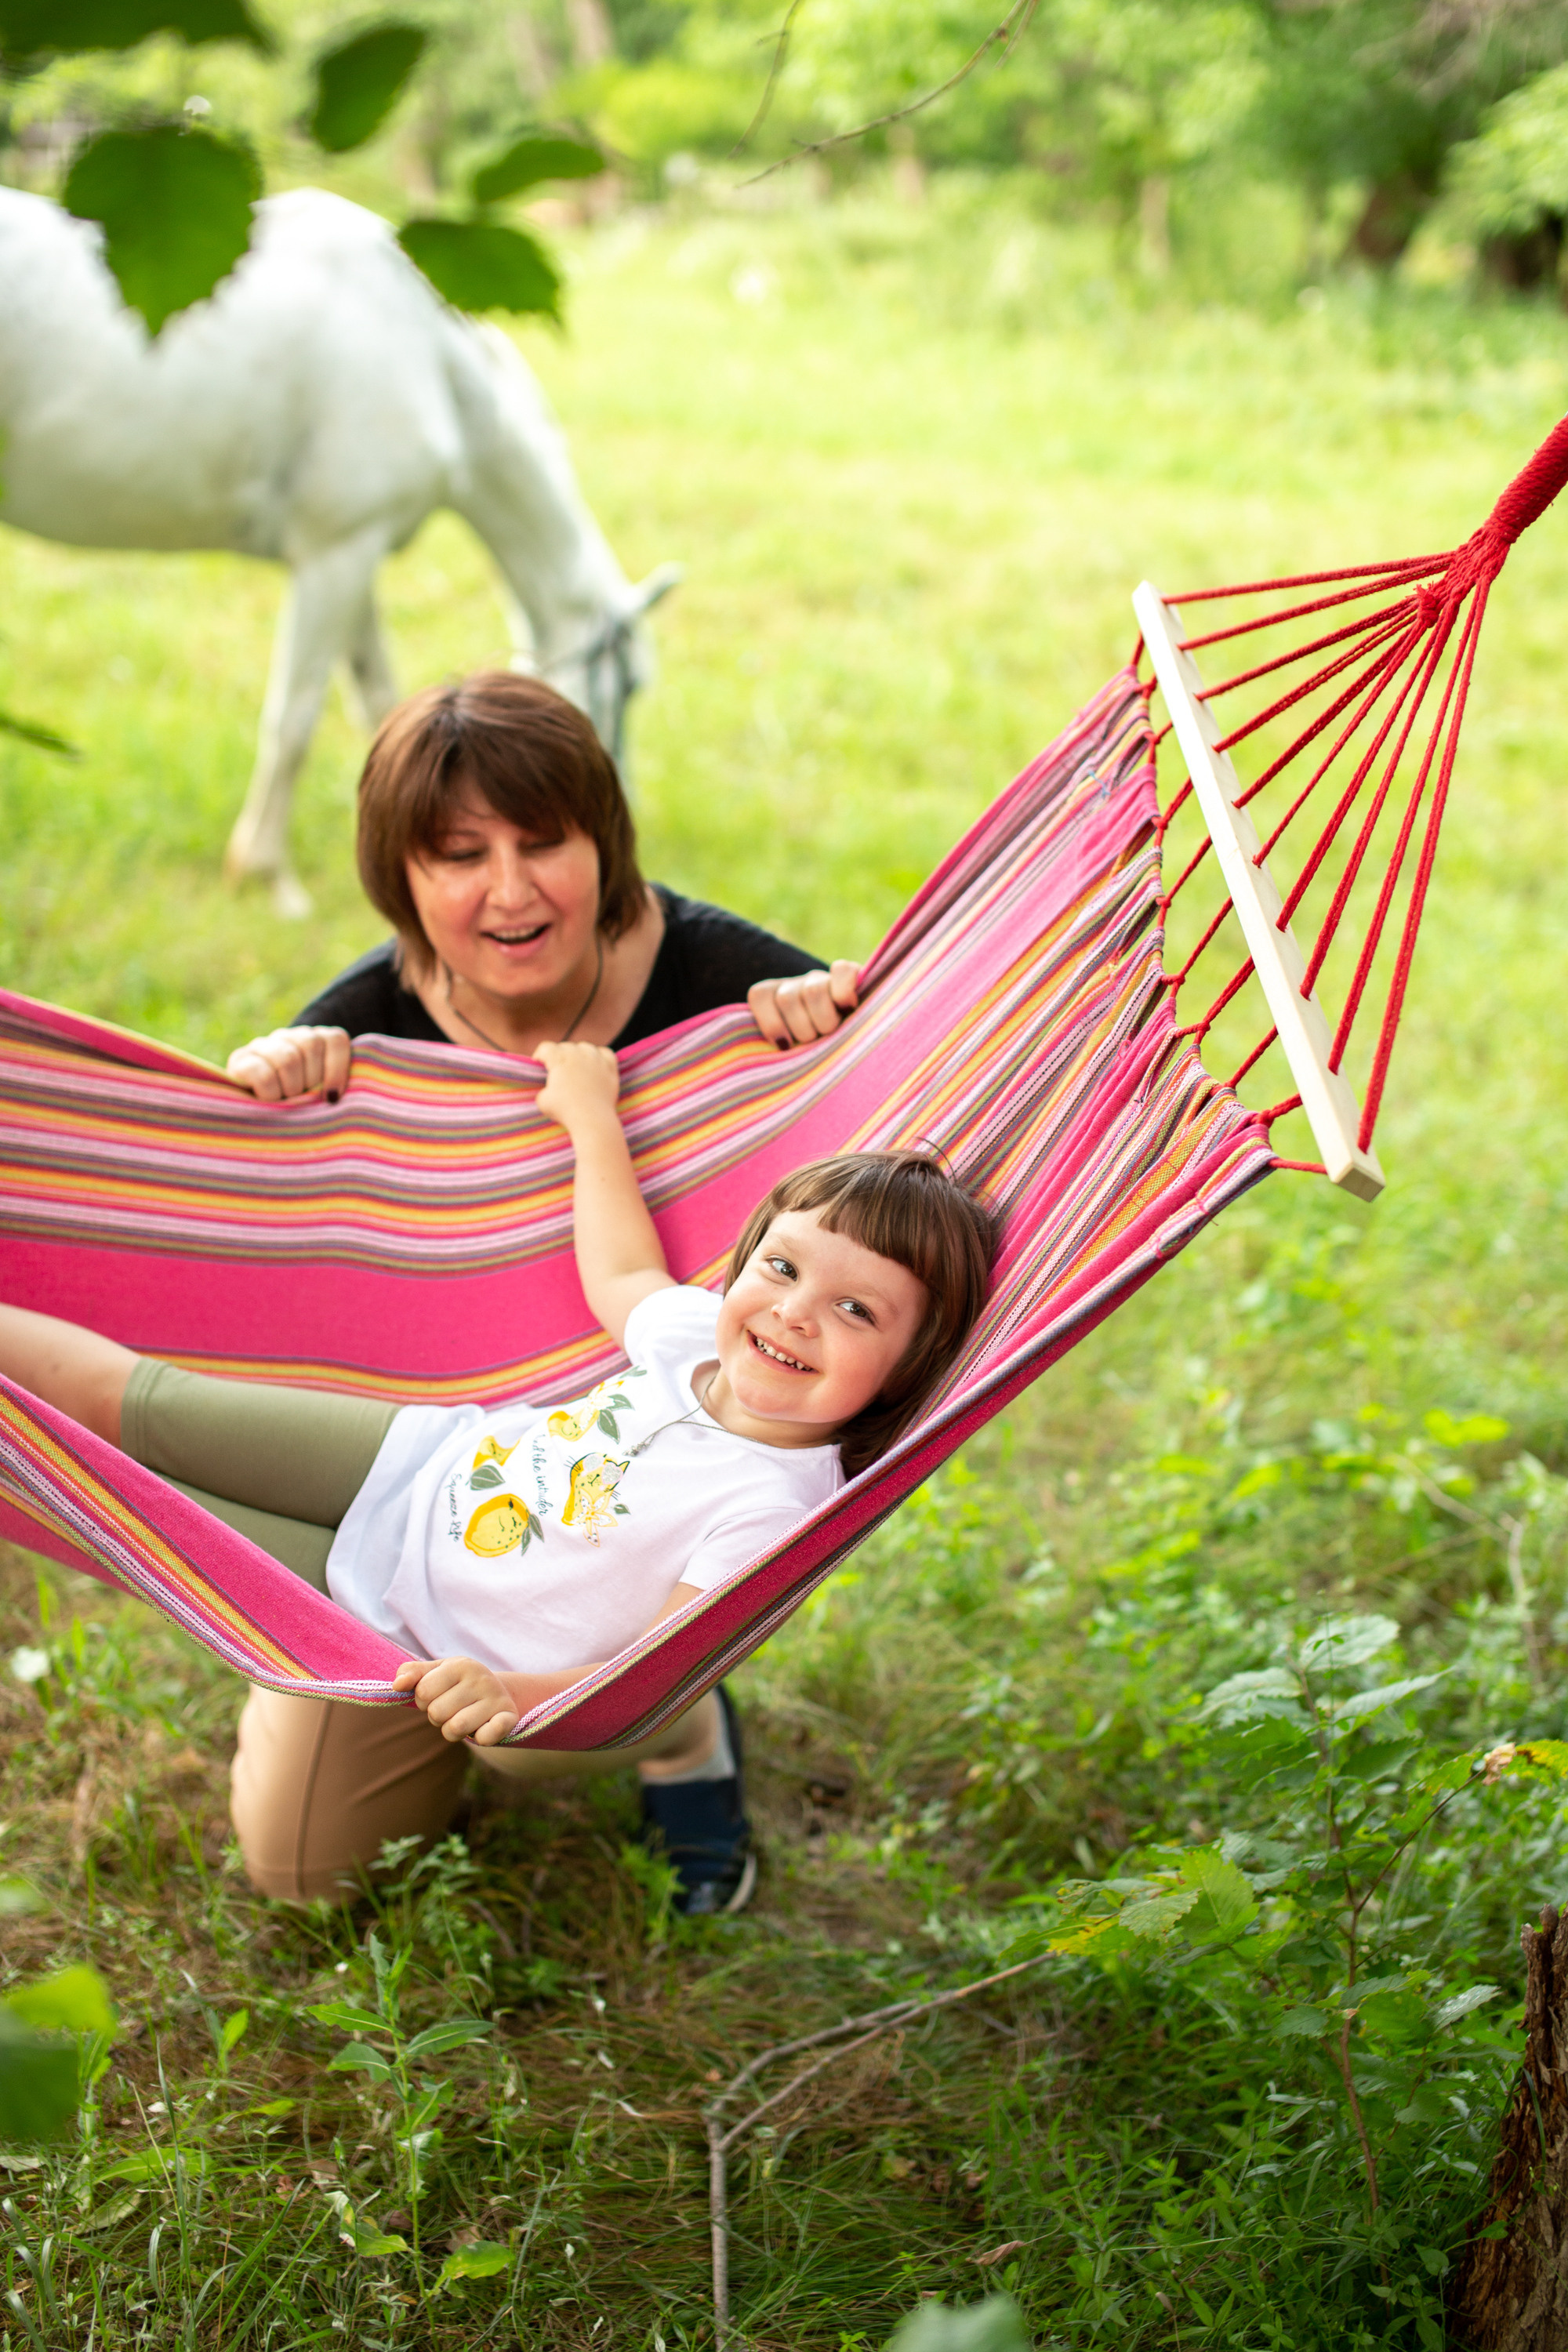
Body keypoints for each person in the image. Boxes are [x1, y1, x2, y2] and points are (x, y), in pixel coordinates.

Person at [0, 1049, 997, 1914]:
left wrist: (505, 1689)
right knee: (132, 1404)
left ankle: (690, 1742)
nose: (793, 1315)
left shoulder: (772, 1508)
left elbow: (649, 1664)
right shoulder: (693, 1335)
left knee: (141, 1518)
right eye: (779, 1270)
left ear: (911, 1367)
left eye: (856, 1311)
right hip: (414, 1463)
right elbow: (618, 1269)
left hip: (422, 1640)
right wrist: (591, 1119)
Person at [225, 671, 862, 1102]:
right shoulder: (359, 1043)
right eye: (461, 855)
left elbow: (887, 1092)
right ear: (401, 879)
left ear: (602, 844)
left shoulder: (730, 987)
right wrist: (268, 1091)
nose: (510, 891)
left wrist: (827, 1020)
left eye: (544, 843)